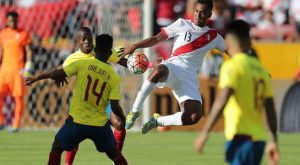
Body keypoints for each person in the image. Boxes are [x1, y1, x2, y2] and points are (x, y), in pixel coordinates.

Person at [120, 0, 226, 134]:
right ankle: (134, 112)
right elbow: (156, 39)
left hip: (190, 78)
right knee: (160, 69)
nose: (198, 15)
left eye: (203, 12)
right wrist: (135, 45)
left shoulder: (214, 36)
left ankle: (158, 121)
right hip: (174, 67)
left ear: (209, 14)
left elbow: (232, 51)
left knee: (194, 116)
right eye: (196, 11)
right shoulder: (182, 24)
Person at [24, 34, 128, 165]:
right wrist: (122, 117)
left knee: (57, 147)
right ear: (109, 53)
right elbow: (114, 106)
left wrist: (36, 78)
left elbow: (56, 73)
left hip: (78, 122)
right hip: (99, 125)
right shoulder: (114, 76)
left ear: (95, 50)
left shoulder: (82, 63)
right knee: (115, 155)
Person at [194, 20, 279, 165]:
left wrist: (205, 132)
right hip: (259, 139)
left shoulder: (232, 67)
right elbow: (270, 108)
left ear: (229, 41)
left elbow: (222, 100)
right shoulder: (262, 71)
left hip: (240, 138)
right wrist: (273, 141)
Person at [58, 27, 127, 165]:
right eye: (83, 39)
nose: (87, 41)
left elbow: (121, 61)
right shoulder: (73, 58)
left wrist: (145, 65)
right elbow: (61, 71)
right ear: (78, 41)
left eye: (89, 38)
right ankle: (67, 163)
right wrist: (58, 77)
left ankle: (116, 161)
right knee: (74, 133)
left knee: (119, 124)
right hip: (84, 103)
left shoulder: (101, 50)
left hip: (103, 101)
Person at [0, 11, 33, 132]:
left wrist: (29, 64)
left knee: (18, 97)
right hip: (4, 70)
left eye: (14, 20)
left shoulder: (23, 33)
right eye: (10, 20)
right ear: (7, 21)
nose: (12, 22)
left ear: (17, 20)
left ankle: (16, 124)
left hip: (18, 70)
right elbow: (1, 51)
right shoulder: (3, 34)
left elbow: (28, 50)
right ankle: (0, 121)